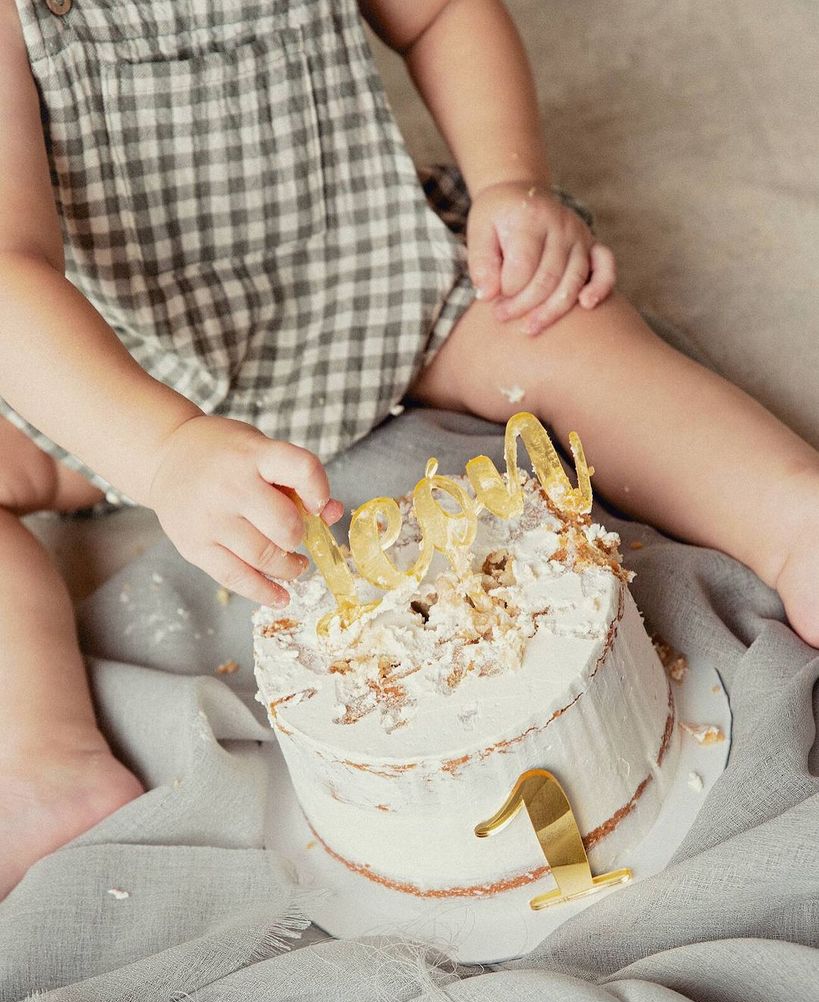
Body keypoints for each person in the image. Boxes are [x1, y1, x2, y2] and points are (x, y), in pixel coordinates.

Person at [0, 0, 816, 901]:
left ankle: (790, 515)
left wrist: (513, 186)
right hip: (113, 375)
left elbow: (442, 15)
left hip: (372, 291)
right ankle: (43, 750)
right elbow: (11, 268)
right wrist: (158, 452)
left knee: (561, 330)